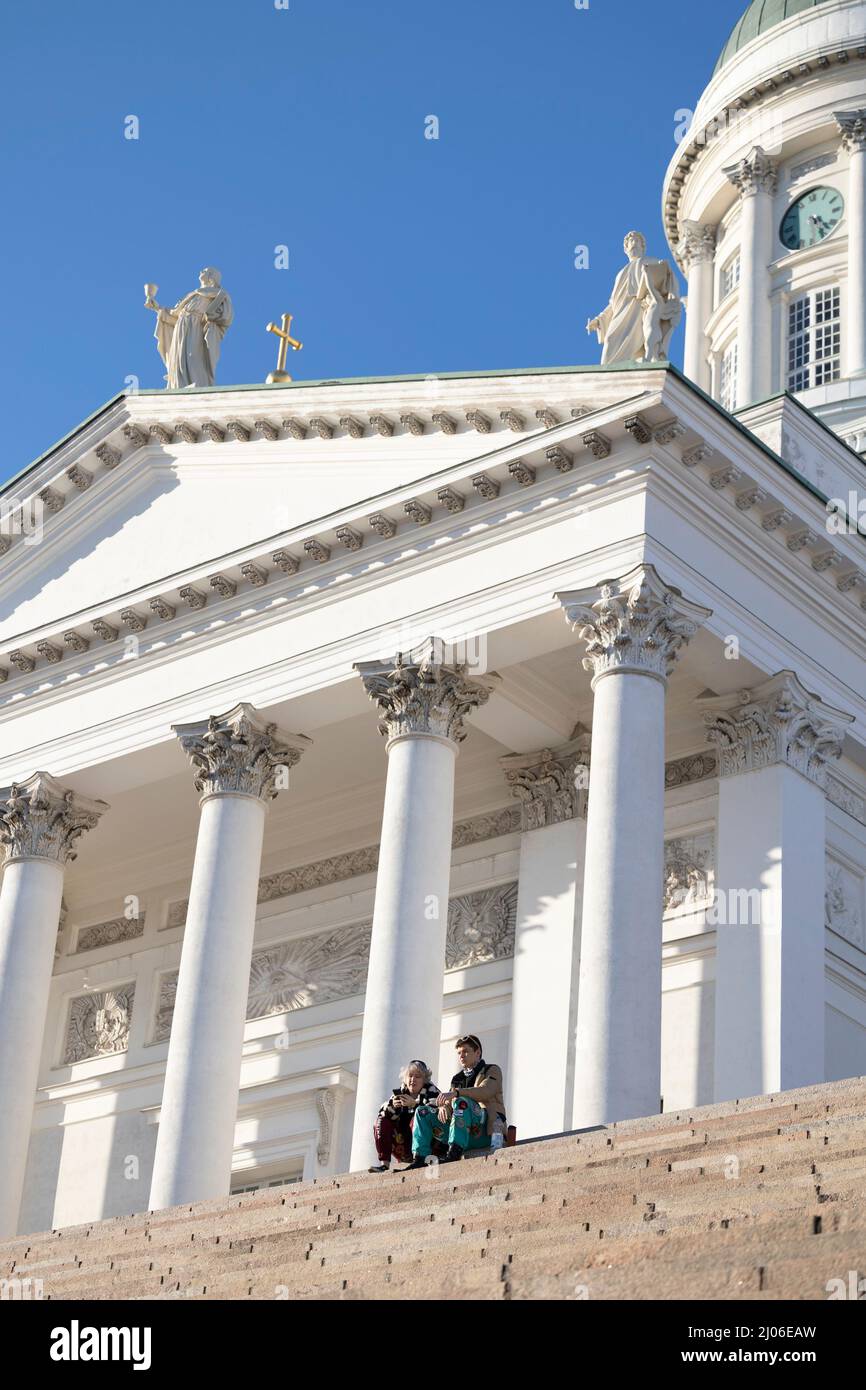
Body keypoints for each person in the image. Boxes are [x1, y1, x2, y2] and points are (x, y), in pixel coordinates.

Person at [407, 1034, 507, 1167]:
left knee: (461, 1102)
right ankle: (420, 1157)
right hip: (462, 1132)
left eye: (465, 1051)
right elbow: (449, 1102)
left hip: (485, 1131)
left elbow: (486, 1091)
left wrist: (456, 1093)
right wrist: (444, 1107)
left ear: (478, 1053)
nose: (461, 1056)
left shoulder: (492, 1070)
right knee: (422, 1112)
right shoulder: (457, 1078)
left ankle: (453, 1153)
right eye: (459, 1053)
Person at [586, 230, 682, 365]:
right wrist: (599, 319)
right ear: (626, 249)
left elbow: (667, 276)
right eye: (631, 241)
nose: (634, 243)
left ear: (643, 247)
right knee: (610, 339)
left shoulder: (650, 261)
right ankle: (608, 375)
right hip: (621, 312)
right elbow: (613, 303)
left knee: (643, 341)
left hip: (639, 309)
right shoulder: (620, 274)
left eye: (637, 241)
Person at [148, 267, 233, 389]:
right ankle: (179, 385)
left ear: (211, 276)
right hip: (181, 328)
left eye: (205, 271)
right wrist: (157, 308)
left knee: (192, 356)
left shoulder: (218, 294)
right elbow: (176, 317)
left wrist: (211, 318)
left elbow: (225, 316)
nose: (201, 271)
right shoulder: (192, 295)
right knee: (178, 359)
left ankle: (196, 383)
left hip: (196, 328)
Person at [369, 1060, 441, 1172]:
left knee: (418, 1117)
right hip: (404, 1146)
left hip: (431, 1147)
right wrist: (392, 1107)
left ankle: (419, 1158)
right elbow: (382, 1114)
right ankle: (384, 1164)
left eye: (417, 1076)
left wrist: (415, 1105)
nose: (413, 1079)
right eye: (410, 1076)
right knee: (381, 1121)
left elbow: (436, 1115)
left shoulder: (432, 1091)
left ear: (424, 1080)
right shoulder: (401, 1092)